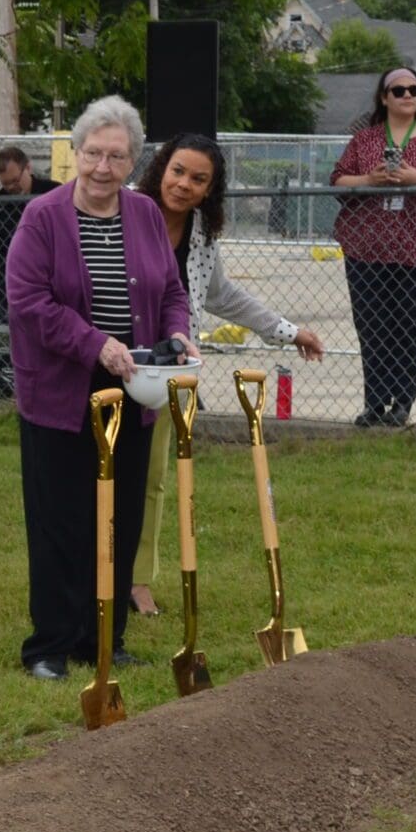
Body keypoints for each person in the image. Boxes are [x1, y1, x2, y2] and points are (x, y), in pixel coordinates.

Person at [3, 96, 195, 680]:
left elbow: (171, 291)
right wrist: (96, 345)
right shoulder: (42, 217)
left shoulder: (144, 214)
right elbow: (28, 302)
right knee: (61, 521)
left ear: (134, 161)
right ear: (75, 154)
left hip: (134, 388)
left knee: (120, 517)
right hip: (61, 393)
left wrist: (178, 333)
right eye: (92, 154)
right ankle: (51, 645)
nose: (102, 168)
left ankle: (104, 637)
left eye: (116, 156)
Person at [127, 132, 323, 613]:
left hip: (171, 370)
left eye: (199, 179)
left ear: (210, 189)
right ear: (161, 168)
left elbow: (221, 295)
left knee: (152, 478)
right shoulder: (125, 210)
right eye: (177, 171)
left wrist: (287, 331)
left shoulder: (201, 233)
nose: (184, 184)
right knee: (99, 473)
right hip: (114, 359)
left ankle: (136, 580)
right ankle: (89, 572)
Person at [329, 65, 416, 426]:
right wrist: (369, 180)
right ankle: (374, 404)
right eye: (398, 90)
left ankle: (402, 403)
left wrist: (415, 178)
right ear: (384, 98)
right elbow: (337, 180)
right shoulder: (365, 139)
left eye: (414, 90)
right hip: (367, 250)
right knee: (372, 327)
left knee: (410, 327)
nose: (407, 96)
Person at [0, 145, 50, 308]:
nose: (11, 187)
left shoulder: (53, 192)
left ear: (28, 168)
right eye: (5, 183)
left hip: (51, 289)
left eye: (15, 180)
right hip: (10, 293)